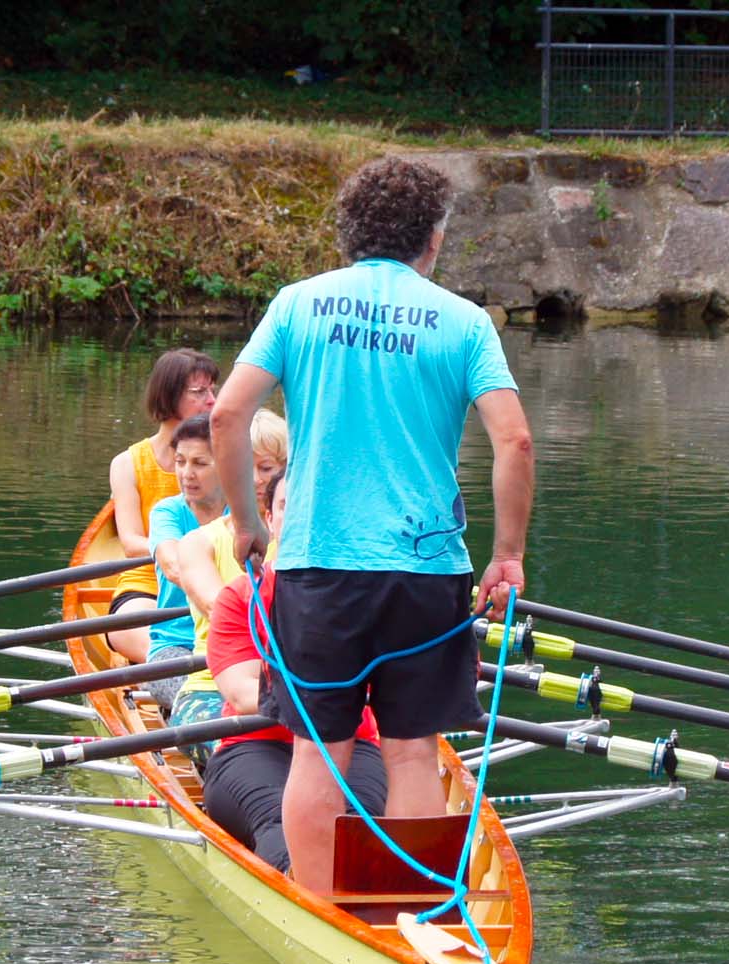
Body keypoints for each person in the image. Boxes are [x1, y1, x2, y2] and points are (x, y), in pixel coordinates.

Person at [209, 156, 535, 893]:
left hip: (318, 566)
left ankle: (321, 910)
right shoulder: (465, 322)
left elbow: (227, 414)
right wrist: (506, 554)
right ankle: (406, 915)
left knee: (316, 752)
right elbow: (513, 440)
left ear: (349, 235)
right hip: (426, 571)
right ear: (434, 239)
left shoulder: (297, 304)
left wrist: (246, 522)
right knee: (413, 752)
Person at [169, 468, 389, 872]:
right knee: (277, 820)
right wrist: (335, 694)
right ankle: (300, 897)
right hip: (252, 745)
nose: (304, 517)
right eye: (290, 506)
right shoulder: (241, 597)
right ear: (269, 520)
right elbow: (240, 693)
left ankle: (360, 907)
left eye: (316, 508)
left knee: (358, 827)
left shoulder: (367, 599)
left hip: (351, 743)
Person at [142, 408, 288, 712]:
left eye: (266, 469)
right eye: (245, 466)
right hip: (210, 680)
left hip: (291, 680)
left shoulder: (306, 541)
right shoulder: (198, 542)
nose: (255, 480)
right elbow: (223, 610)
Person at [106, 347, 220, 663]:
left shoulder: (227, 457)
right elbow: (130, 544)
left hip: (217, 581)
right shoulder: (127, 463)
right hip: (147, 586)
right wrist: (192, 554)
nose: (212, 400)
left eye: (213, 390)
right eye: (199, 392)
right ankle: (175, 675)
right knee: (134, 631)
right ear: (168, 398)